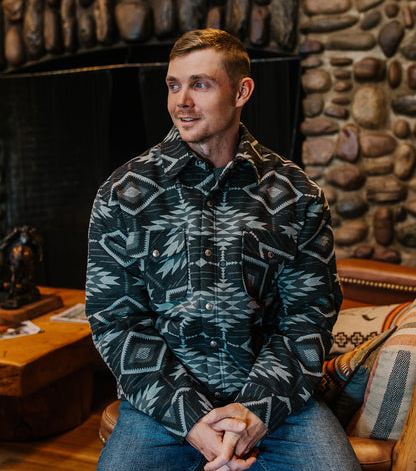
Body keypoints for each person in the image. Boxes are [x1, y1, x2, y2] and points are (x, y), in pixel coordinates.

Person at [86, 28, 362, 471]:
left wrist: (255, 412)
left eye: (200, 84)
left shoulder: (297, 196)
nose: (181, 101)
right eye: (174, 85)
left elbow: (309, 316)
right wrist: (190, 418)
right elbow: (115, 320)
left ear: (241, 91)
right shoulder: (123, 194)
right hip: (162, 406)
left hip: (274, 402)